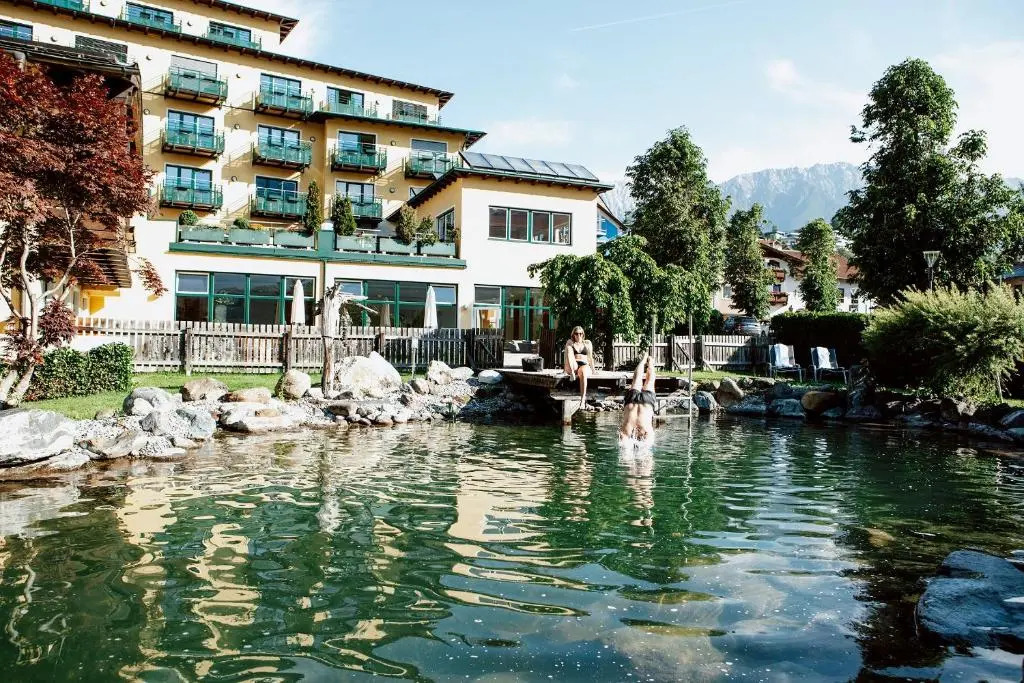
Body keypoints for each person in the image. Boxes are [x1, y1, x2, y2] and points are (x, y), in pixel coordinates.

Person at [619, 351, 657, 448]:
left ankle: (646, 361)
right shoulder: (627, 433)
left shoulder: (627, 433)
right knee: (638, 379)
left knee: (648, 381)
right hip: (633, 404)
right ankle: (648, 361)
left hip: (645, 405)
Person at [563, 326, 594, 411]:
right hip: (573, 365)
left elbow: (590, 357)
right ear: (573, 335)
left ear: (583, 334)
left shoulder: (587, 343)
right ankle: (572, 373)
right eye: (576, 334)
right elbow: (567, 355)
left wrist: (593, 370)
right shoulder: (571, 342)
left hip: (584, 365)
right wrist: (564, 369)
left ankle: (582, 400)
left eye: (580, 333)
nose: (578, 335)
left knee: (583, 372)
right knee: (569, 348)